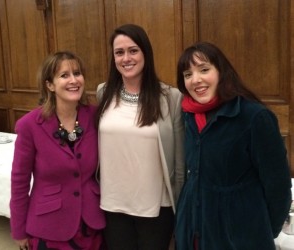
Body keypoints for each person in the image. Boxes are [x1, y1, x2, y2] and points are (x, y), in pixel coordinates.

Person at [174, 41, 292, 250]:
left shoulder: (254, 117)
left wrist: (260, 232)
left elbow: (279, 188)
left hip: (239, 239)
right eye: (187, 74)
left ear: (221, 71)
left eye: (204, 69)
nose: (196, 80)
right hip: (193, 233)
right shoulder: (189, 115)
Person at [96, 23, 184, 250]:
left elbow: (180, 161)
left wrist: (181, 204)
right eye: (119, 52)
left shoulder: (170, 97)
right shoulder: (103, 93)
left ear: (145, 52)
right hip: (113, 204)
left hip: (156, 207)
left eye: (133, 50)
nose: (126, 58)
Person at [10, 51, 106, 250]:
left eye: (77, 73)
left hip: (92, 223)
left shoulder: (96, 116)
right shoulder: (29, 125)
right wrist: (18, 230)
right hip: (50, 227)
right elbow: (19, 181)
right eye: (64, 75)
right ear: (50, 85)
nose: (73, 80)